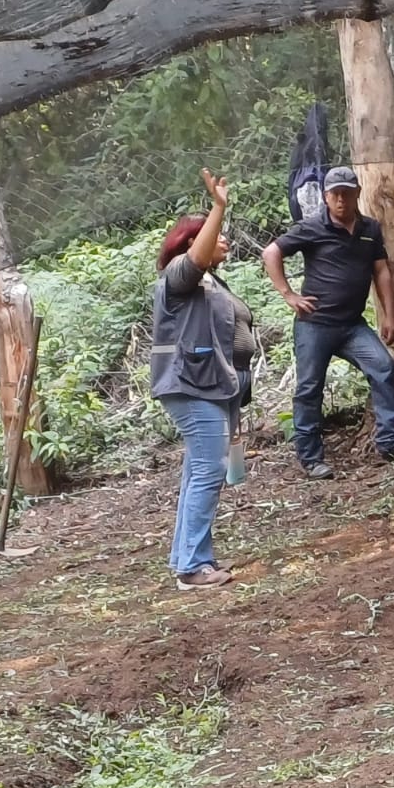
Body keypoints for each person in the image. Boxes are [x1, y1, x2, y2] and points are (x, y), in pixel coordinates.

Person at [262, 165, 394, 479]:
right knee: (309, 388)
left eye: (347, 193)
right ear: (325, 196)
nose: (341, 199)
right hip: (315, 324)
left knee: (383, 367)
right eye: (335, 194)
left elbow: (381, 272)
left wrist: (389, 315)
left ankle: (389, 441)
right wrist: (289, 295)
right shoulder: (312, 228)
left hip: (352, 325)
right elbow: (272, 253)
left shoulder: (369, 229)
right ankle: (310, 458)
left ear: (357, 194)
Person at [150, 169, 257, 590]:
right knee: (210, 471)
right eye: (215, 234)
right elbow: (195, 259)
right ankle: (193, 567)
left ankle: (189, 558)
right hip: (191, 386)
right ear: (190, 244)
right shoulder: (180, 275)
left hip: (213, 386)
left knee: (200, 472)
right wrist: (218, 206)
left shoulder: (213, 281)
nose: (224, 239)